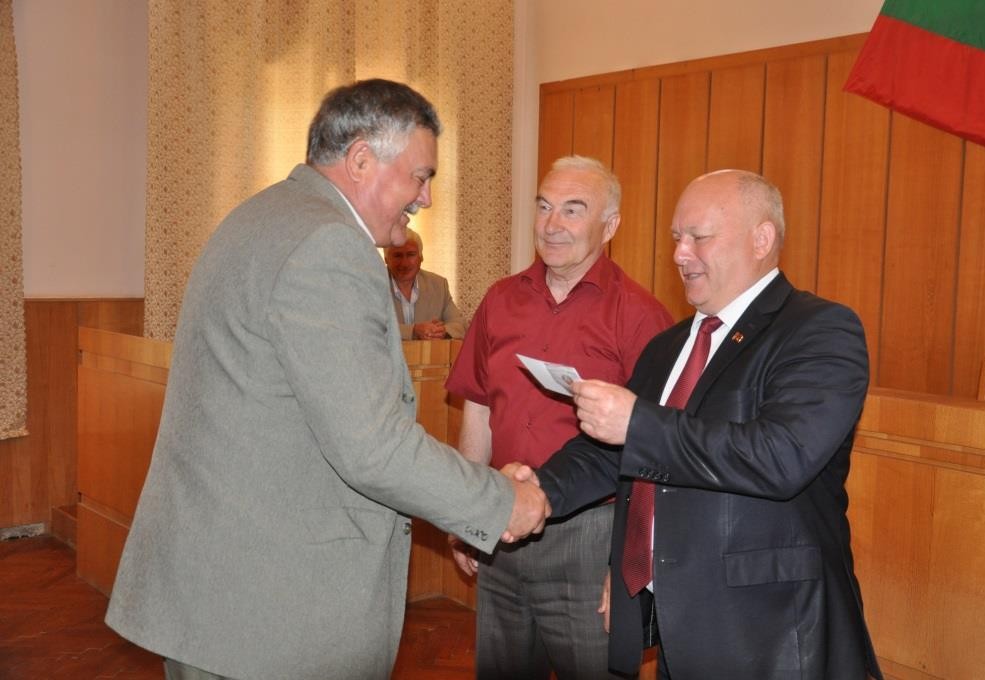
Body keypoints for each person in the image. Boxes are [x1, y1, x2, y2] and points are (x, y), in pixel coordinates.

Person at [104, 79, 549, 680]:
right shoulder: (328, 247)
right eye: (420, 176)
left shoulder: (265, 215)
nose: (425, 198)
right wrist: (499, 502)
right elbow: (374, 448)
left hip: (219, 595)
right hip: (271, 615)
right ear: (361, 159)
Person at [531, 169, 883, 679]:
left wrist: (637, 423)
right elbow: (617, 451)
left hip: (774, 633)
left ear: (762, 239)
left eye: (699, 237)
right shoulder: (668, 346)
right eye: (677, 237)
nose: (680, 254)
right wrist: (535, 490)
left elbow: (781, 456)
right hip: (682, 625)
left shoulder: (819, 329)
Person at [445, 155, 674, 679]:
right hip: (501, 520)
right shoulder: (499, 300)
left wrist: (629, 563)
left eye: (573, 210)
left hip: (590, 537)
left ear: (609, 226)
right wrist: (467, 512)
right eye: (545, 207)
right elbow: (478, 407)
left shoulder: (641, 315)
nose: (552, 224)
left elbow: (658, 450)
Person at [384, 228, 465, 339]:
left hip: (429, 351)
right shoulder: (372, 285)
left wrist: (442, 331)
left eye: (411, 254)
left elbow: (460, 325)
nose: (404, 263)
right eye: (398, 256)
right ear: (386, 259)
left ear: (421, 257)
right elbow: (369, 328)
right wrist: (413, 331)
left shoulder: (438, 285)